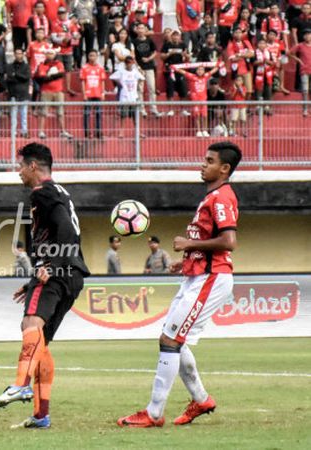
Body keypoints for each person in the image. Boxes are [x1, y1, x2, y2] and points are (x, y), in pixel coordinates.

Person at [119, 142, 241, 428]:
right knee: (173, 339)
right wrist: (188, 258)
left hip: (211, 278)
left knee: (170, 341)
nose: (203, 164)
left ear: (224, 168)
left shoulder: (221, 197)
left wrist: (189, 243)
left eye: (209, 160)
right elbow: (213, 243)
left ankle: (154, 413)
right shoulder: (211, 197)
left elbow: (229, 241)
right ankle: (200, 399)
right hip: (197, 275)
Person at [0, 143, 90, 429]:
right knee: (40, 343)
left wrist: (51, 267)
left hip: (57, 272)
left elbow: (66, 232)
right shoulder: (60, 192)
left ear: (33, 166)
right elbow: (64, 231)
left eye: (20, 166)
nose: (18, 171)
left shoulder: (42, 192)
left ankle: (20, 385)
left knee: (30, 325)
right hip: (71, 275)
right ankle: (41, 415)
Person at [34, 48, 72, 139]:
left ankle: (63, 131)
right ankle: (41, 132)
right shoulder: (41, 65)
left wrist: (49, 76)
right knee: (43, 112)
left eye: (51, 53)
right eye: (48, 53)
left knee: (60, 112)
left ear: (54, 54)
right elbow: (42, 78)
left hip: (58, 91)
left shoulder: (59, 64)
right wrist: (53, 76)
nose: (49, 55)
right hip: (46, 91)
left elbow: (61, 74)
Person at [109, 55, 145, 138]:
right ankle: (121, 132)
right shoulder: (121, 71)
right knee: (123, 115)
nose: (129, 64)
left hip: (133, 96)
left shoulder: (135, 72)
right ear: (125, 63)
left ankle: (137, 132)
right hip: (124, 96)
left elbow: (142, 77)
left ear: (133, 63)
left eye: (130, 62)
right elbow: (112, 77)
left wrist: (138, 68)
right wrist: (119, 83)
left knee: (135, 116)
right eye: (127, 62)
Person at [80, 49, 106, 139]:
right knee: (87, 114)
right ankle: (87, 134)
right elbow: (83, 81)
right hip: (88, 94)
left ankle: (98, 133)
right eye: (90, 55)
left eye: (94, 55)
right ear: (88, 57)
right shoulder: (84, 68)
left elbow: (102, 81)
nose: (92, 57)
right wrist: (84, 93)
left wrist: (103, 92)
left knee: (99, 113)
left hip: (98, 94)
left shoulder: (100, 68)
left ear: (97, 57)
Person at [7, 48, 31, 138]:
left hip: (23, 93)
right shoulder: (10, 66)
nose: (18, 55)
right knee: (13, 114)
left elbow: (26, 77)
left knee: (23, 114)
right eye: (16, 53)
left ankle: (24, 131)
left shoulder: (26, 66)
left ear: (23, 54)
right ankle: (14, 132)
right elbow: (9, 78)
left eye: (20, 53)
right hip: (13, 93)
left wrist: (16, 74)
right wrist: (18, 77)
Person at [289, 30, 311, 116]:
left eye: (309, 34)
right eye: (305, 35)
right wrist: (298, 60)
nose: (307, 36)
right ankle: (305, 109)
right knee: (305, 90)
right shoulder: (300, 45)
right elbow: (289, 53)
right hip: (304, 70)